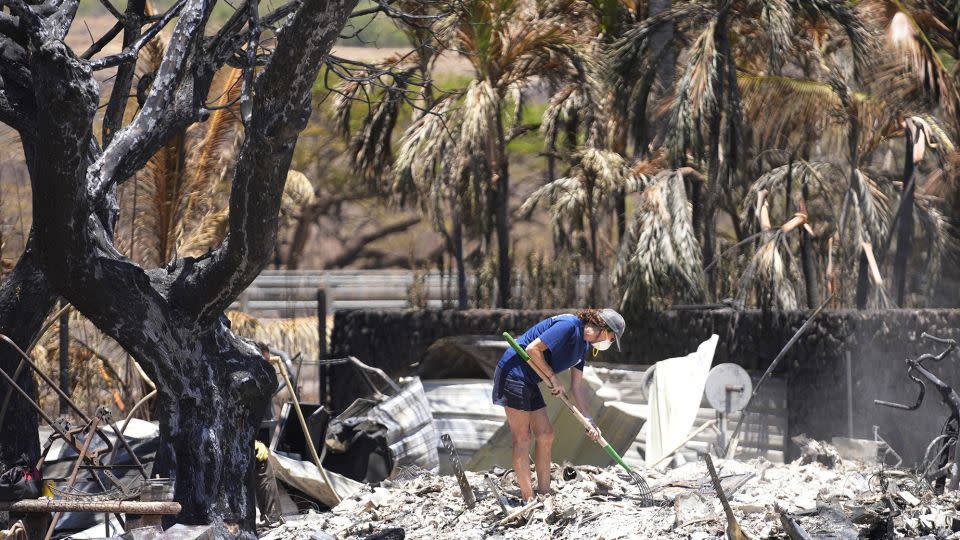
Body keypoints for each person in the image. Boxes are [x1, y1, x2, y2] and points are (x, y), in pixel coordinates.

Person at [491, 308, 625, 502]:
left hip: (531, 380)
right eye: (612, 339)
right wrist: (553, 378)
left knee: (546, 434)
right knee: (522, 437)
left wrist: (588, 420)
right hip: (513, 373)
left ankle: (545, 495)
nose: (610, 343)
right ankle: (528, 499)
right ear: (604, 329)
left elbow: (577, 386)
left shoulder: (583, 348)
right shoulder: (569, 325)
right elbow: (532, 349)